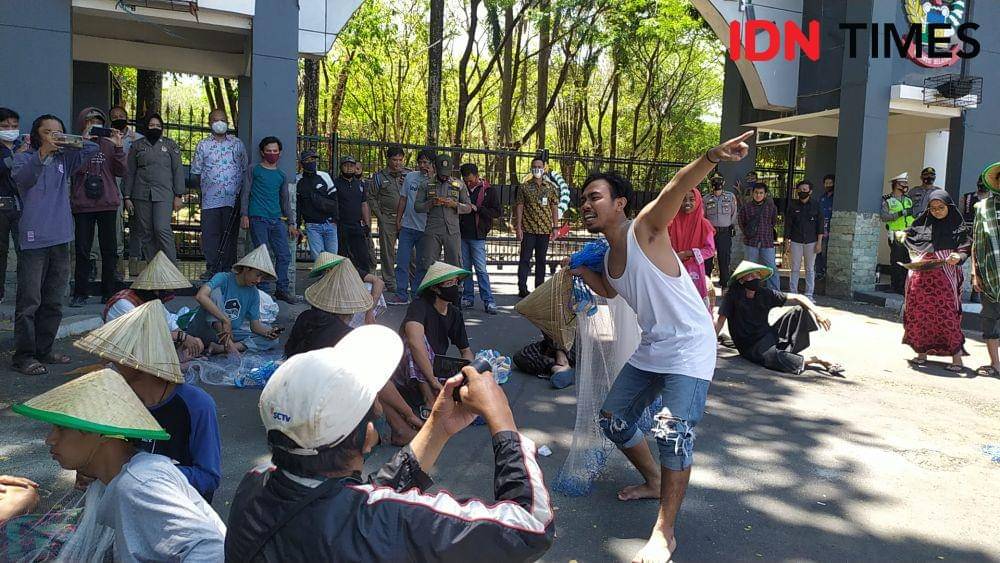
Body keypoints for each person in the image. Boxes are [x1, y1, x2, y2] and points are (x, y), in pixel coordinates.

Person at [570, 132, 752, 562]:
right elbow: (613, 291)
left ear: (620, 205)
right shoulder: (610, 261)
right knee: (613, 421)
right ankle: (654, 479)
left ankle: (664, 532)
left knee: (672, 431)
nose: (585, 204)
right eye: (582, 200)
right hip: (654, 349)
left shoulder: (645, 230)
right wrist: (578, 270)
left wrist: (712, 156)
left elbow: (676, 189)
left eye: (594, 196)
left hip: (690, 346)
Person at [225, 325, 554, 562]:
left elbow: (353, 507)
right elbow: (530, 527)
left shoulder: (255, 484)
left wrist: (438, 427)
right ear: (368, 434)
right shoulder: (386, 521)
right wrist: (503, 421)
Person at [10, 368, 226, 561]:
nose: (50, 439)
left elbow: (212, 549)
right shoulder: (117, 478)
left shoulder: (139, 485)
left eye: (62, 428)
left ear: (102, 433)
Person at [75, 300, 222, 501]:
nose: (111, 362)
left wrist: (141, 474)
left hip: (177, 511)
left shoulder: (197, 405)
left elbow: (208, 478)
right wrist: (90, 469)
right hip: (126, 505)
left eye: (120, 356)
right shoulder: (114, 400)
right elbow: (102, 453)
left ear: (142, 362)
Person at [285, 253, 419, 445]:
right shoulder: (344, 334)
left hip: (295, 399)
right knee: (374, 377)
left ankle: (401, 428)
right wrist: (407, 413)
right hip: (318, 406)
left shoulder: (305, 318)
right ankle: (404, 424)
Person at [11, 115, 99, 375]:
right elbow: (24, 179)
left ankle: (45, 350)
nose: (53, 136)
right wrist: (41, 152)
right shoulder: (23, 159)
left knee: (54, 299)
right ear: (36, 134)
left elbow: (92, 149)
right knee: (29, 300)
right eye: (47, 132)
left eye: (58, 132)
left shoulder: (65, 159)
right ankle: (24, 355)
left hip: (61, 237)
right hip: (33, 239)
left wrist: (74, 140)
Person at [716, 261, 840, 375]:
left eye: (757, 275)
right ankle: (817, 360)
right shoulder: (732, 297)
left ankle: (784, 351)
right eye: (750, 276)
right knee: (771, 357)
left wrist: (818, 313)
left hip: (767, 336)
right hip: (750, 346)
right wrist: (709, 344)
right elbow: (720, 321)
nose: (754, 278)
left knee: (799, 310)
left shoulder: (765, 293)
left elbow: (799, 298)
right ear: (742, 280)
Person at [901, 190, 971, 372]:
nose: (937, 211)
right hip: (921, 280)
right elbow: (910, 237)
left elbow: (965, 246)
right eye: (933, 208)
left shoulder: (957, 226)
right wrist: (901, 235)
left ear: (949, 207)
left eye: (941, 207)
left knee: (948, 315)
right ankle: (921, 353)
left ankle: (957, 360)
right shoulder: (922, 224)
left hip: (944, 280)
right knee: (920, 314)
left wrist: (958, 256)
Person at [396, 261, 474, 419]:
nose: (456, 287)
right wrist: (432, 381)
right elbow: (414, 340)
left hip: (438, 366)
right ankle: (428, 399)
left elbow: (466, 351)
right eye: (449, 283)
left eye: (456, 282)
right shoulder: (419, 306)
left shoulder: (454, 313)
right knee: (415, 344)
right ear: (435, 288)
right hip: (408, 370)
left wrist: (469, 374)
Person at [68, 107, 126, 307]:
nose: (95, 125)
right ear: (83, 123)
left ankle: (108, 292)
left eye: (98, 121)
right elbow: (73, 169)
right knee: (82, 249)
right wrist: (83, 143)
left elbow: (121, 171)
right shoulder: (76, 144)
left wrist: (118, 147)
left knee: (109, 250)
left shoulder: (109, 144)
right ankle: (80, 293)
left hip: (107, 203)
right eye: (90, 121)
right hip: (83, 204)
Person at [103, 250, 205, 360]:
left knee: (197, 343)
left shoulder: (155, 303)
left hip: (148, 348)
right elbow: (142, 339)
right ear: (155, 290)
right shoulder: (125, 304)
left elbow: (172, 326)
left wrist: (187, 340)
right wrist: (181, 337)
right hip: (126, 352)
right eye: (165, 292)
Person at [185, 244, 282, 354]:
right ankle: (230, 348)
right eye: (257, 275)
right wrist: (225, 320)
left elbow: (255, 326)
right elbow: (200, 296)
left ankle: (221, 348)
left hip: (230, 333)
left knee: (272, 341)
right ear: (246, 269)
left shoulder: (253, 292)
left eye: (262, 277)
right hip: (205, 331)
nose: (259, 280)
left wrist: (268, 332)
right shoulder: (223, 278)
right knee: (214, 293)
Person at [240, 136, 299, 304]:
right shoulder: (254, 170)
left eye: (275, 151)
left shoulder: (281, 175)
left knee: (284, 254)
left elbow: (285, 201)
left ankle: (282, 289)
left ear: (279, 153)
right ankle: (263, 291)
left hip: (277, 219)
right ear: (262, 152)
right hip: (258, 218)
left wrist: (291, 223)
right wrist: (244, 215)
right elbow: (245, 193)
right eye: (268, 151)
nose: (272, 153)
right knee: (262, 255)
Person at [191, 108, 248, 279]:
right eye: (215, 120)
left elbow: (245, 168)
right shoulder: (203, 145)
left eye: (222, 119)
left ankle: (228, 269)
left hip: (232, 199)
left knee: (230, 235)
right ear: (209, 123)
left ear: (227, 123)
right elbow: (196, 171)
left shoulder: (237, 144)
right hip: (210, 200)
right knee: (210, 235)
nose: (219, 123)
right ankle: (212, 268)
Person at [121, 113, 184, 267]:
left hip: (164, 194)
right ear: (145, 127)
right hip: (141, 194)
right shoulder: (137, 146)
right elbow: (130, 172)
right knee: (146, 232)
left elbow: (177, 170)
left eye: (158, 126)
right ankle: (154, 267)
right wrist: (127, 197)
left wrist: (179, 195)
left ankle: (171, 268)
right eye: (151, 125)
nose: (155, 128)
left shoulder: (170, 145)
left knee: (162, 228)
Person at [414, 154, 471, 284]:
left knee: (455, 263)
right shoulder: (426, 184)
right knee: (429, 263)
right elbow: (417, 206)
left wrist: (455, 205)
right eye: (441, 173)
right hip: (433, 230)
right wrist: (431, 203)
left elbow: (469, 207)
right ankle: (430, 294)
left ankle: (455, 294)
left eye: (447, 173)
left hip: (452, 230)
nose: (444, 176)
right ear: (435, 168)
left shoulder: (459, 185)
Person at [390, 149, 434, 305]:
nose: (422, 165)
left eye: (426, 163)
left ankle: (416, 294)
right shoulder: (410, 177)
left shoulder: (436, 181)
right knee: (402, 261)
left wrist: (430, 178)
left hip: (426, 229)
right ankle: (401, 294)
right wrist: (398, 219)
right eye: (420, 162)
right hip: (408, 226)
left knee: (422, 263)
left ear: (432, 164)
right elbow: (403, 199)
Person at [458, 162, 500, 314]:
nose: (469, 183)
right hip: (463, 234)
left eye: (471, 180)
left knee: (481, 269)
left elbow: (496, 212)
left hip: (478, 235)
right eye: (466, 180)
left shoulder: (489, 190)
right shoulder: (461, 188)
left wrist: (478, 209)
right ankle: (468, 297)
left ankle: (489, 300)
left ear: (477, 176)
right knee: (465, 269)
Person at [515, 155, 560, 297]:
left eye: (539, 167)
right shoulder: (524, 187)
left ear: (544, 168)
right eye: (534, 167)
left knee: (541, 260)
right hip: (528, 230)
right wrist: (518, 227)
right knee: (525, 259)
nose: (537, 169)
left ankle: (539, 290)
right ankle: (522, 289)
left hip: (545, 230)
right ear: (531, 168)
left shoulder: (550, 188)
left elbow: (554, 207)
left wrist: (555, 227)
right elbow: (520, 207)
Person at [972, 162, 1000, 377]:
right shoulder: (983, 208)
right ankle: (995, 364)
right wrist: (975, 273)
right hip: (989, 274)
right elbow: (977, 243)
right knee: (990, 320)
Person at [107, 105, 142, 277]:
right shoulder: (105, 137)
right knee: (116, 227)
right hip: (113, 186)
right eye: (114, 116)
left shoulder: (138, 138)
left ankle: (136, 262)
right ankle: (118, 267)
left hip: (135, 187)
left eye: (121, 115)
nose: (118, 118)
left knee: (138, 225)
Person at [368, 145, 407, 295]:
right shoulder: (379, 177)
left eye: (400, 160)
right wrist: (380, 217)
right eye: (394, 159)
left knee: (411, 252)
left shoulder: (408, 175)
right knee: (387, 253)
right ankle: (390, 283)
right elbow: (371, 197)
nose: (397, 163)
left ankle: (409, 281)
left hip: (406, 220)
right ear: (388, 160)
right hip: (388, 219)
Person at [669, 188, 716, 309]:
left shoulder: (704, 225)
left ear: (698, 201)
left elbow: (710, 250)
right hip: (673, 267)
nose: (687, 203)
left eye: (691, 199)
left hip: (694, 271)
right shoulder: (671, 222)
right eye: (683, 200)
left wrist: (688, 254)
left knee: (695, 304)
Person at [0, 107, 26, 305]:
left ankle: (25, 293)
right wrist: (15, 156)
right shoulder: (16, 150)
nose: (10, 129)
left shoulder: (23, 144)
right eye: (5, 126)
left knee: (24, 251)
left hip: (20, 206)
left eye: (14, 126)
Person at [783, 180, 824, 299]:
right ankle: (793, 293)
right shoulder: (792, 205)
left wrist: (819, 243)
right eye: (800, 190)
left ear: (810, 191)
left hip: (812, 242)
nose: (802, 192)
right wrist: (787, 242)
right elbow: (788, 225)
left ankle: (809, 294)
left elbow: (820, 225)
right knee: (794, 268)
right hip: (796, 241)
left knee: (810, 269)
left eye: (805, 190)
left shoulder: (816, 205)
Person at [296, 149, 339, 259]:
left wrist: (335, 220)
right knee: (319, 260)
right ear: (301, 163)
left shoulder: (324, 176)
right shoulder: (298, 180)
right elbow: (298, 206)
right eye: (308, 160)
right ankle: (322, 277)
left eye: (313, 159)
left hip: (330, 224)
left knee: (333, 258)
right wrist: (297, 226)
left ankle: (331, 277)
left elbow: (334, 199)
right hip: (312, 225)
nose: (311, 162)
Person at [738, 182, 779, 291]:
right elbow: (741, 222)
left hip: (767, 241)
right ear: (752, 193)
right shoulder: (746, 208)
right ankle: (749, 291)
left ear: (765, 194)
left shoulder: (771, 208)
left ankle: (774, 292)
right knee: (749, 268)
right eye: (756, 192)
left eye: (761, 193)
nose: (758, 195)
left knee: (771, 268)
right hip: (751, 242)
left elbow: (773, 222)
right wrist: (748, 234)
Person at [881, 172, 914, 295]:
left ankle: (905, 286)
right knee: (896, 260)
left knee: (908, 260)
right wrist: (899, 214)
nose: (906, 185)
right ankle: (895, 286)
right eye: (903, 183)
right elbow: (884, 217)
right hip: (895, 234)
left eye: (906, 183)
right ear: (896, 184)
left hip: (909, 234)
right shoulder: (888, 200)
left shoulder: (908, 200)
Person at [703, 172, 738, 289]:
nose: (716, 182)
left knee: (724, 259)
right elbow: (703, 216)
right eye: (714, 180)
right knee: (707, 260)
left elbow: (734, 212)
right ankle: (706, 286)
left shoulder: (730, 196)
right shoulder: (706, 199)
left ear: (723, 182)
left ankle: (724, 285)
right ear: (711, 182)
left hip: (724, 232)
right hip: (710, 233)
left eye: (719, 180)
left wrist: (730, 225)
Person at [816, 174, 835, 279]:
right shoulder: (822, 198)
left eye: (830, 183)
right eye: (826, 183)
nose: (828, 185)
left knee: (826, 252)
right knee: (818, 251)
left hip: (831, 229)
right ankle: (819, 272)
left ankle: (826, 272)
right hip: (820, 229)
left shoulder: (836, 198)